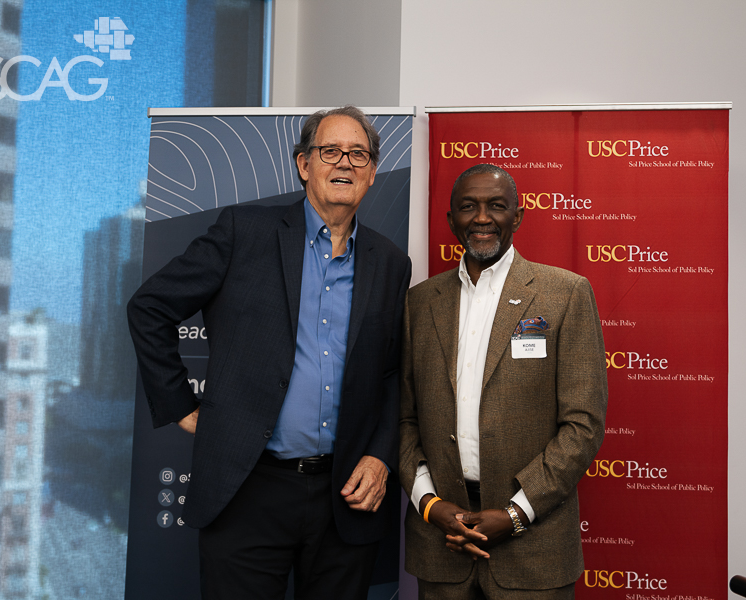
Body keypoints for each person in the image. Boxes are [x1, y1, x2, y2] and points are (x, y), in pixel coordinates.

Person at [127, 105, 411, 599]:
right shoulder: (244, 232)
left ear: (371, 172)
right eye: (330, 151)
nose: (344, 163)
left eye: (359, 154)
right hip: (247, 489)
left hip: (345, 497)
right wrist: (179, 404)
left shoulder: (390, 261)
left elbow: (391, 374)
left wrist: (380, 457)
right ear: (304, 164)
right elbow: (149, 307)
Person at [399, 163, 608, 599]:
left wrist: (515, 513)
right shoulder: (420, 303)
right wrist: (430, 505)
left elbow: (582, 424)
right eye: (467, 206)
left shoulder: (564, 294)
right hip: (442, 547)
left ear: (518, 216)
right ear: (450, 218)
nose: (481, 217)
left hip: (534, 549)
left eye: (496, 206)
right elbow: (404, 419)